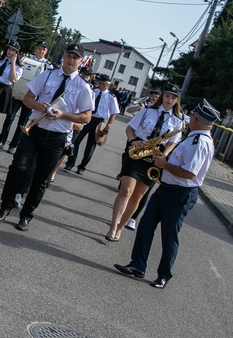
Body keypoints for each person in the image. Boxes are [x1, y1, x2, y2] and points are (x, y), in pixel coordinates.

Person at [114, 99, 219, 288]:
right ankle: (137, 265)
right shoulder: (192, 136)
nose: (188, 120)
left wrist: (164, 165)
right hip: (166, 188)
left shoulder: (199, 142)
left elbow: (189, 173)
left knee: (169, 236)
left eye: (192, 117)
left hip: (180, 195)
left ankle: (163, 275)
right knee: (146, 225)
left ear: (196, 119)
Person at [0, 44, 93, 231]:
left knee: (41, 179)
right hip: (35, 129)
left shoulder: (83, 87)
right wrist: (39, 106)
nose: (71, 60)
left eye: (75, 58)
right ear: (63, 56)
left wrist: (63, 115)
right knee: (17, 167)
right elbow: (28, 98)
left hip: (57, 136)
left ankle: (26, 215)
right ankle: (5, 206)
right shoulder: (48, 75)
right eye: (69, 56)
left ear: (80, 61)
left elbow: (86, 117)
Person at [106, 83, 184, 241]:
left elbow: (172, 143)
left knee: (137, 196)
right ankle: (113, 227)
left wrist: (164, 155)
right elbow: (129, 129)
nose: (169, 100)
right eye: (167, 96)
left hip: (154, 157)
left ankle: (121, 228)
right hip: (137, 152)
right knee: (126, 190)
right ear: (162, 96)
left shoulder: (178, 121)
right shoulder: (148, 110)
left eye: (173, 98)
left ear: (177, 101)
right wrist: (134, 141)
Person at [0, 40, 51, 153]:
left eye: (43, 49)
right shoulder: (24, 59)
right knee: (10, 117)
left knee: (23, 122)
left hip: (31, 98)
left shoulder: (48, 66)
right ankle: (1, 141)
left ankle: (13, 145)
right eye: (39, 48)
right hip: (18, 93)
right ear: (35, 48)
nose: (41, 50)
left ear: (46, 51)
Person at [65, 73, 119, 174]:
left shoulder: (111, 97)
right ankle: (70, 163)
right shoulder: (93, 91)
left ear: (108, 85)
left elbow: (113, 113)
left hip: (99, 122)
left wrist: (108, 126)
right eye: (99, 83)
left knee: (90, 146)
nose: (100, 85)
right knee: (75, 141)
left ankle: (82, 167)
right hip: (88, 119)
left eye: (103, 84)